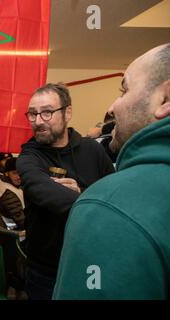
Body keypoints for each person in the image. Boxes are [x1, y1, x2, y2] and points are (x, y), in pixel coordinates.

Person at [53, 43, 170, 300]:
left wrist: (92, 198)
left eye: (124, 89)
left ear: (165, 99)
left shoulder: (108, 206)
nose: (112, 107)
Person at [17, 83, 115, 300]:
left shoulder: (93, 150)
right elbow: (46, 194)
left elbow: (114, 193)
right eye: (32, 114)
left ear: (67, 112)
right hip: (46, 270)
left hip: (91, 263)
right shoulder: (28, 157)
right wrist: (96, 201)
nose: (38, 121)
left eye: (47, 112)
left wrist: (82, 191)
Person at [0, 157, 24, 230]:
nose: (19, 177)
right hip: (13, 230)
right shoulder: (9, 194)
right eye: (14, 173)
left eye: (21, 173)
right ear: (6, 173)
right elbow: (21, 222)